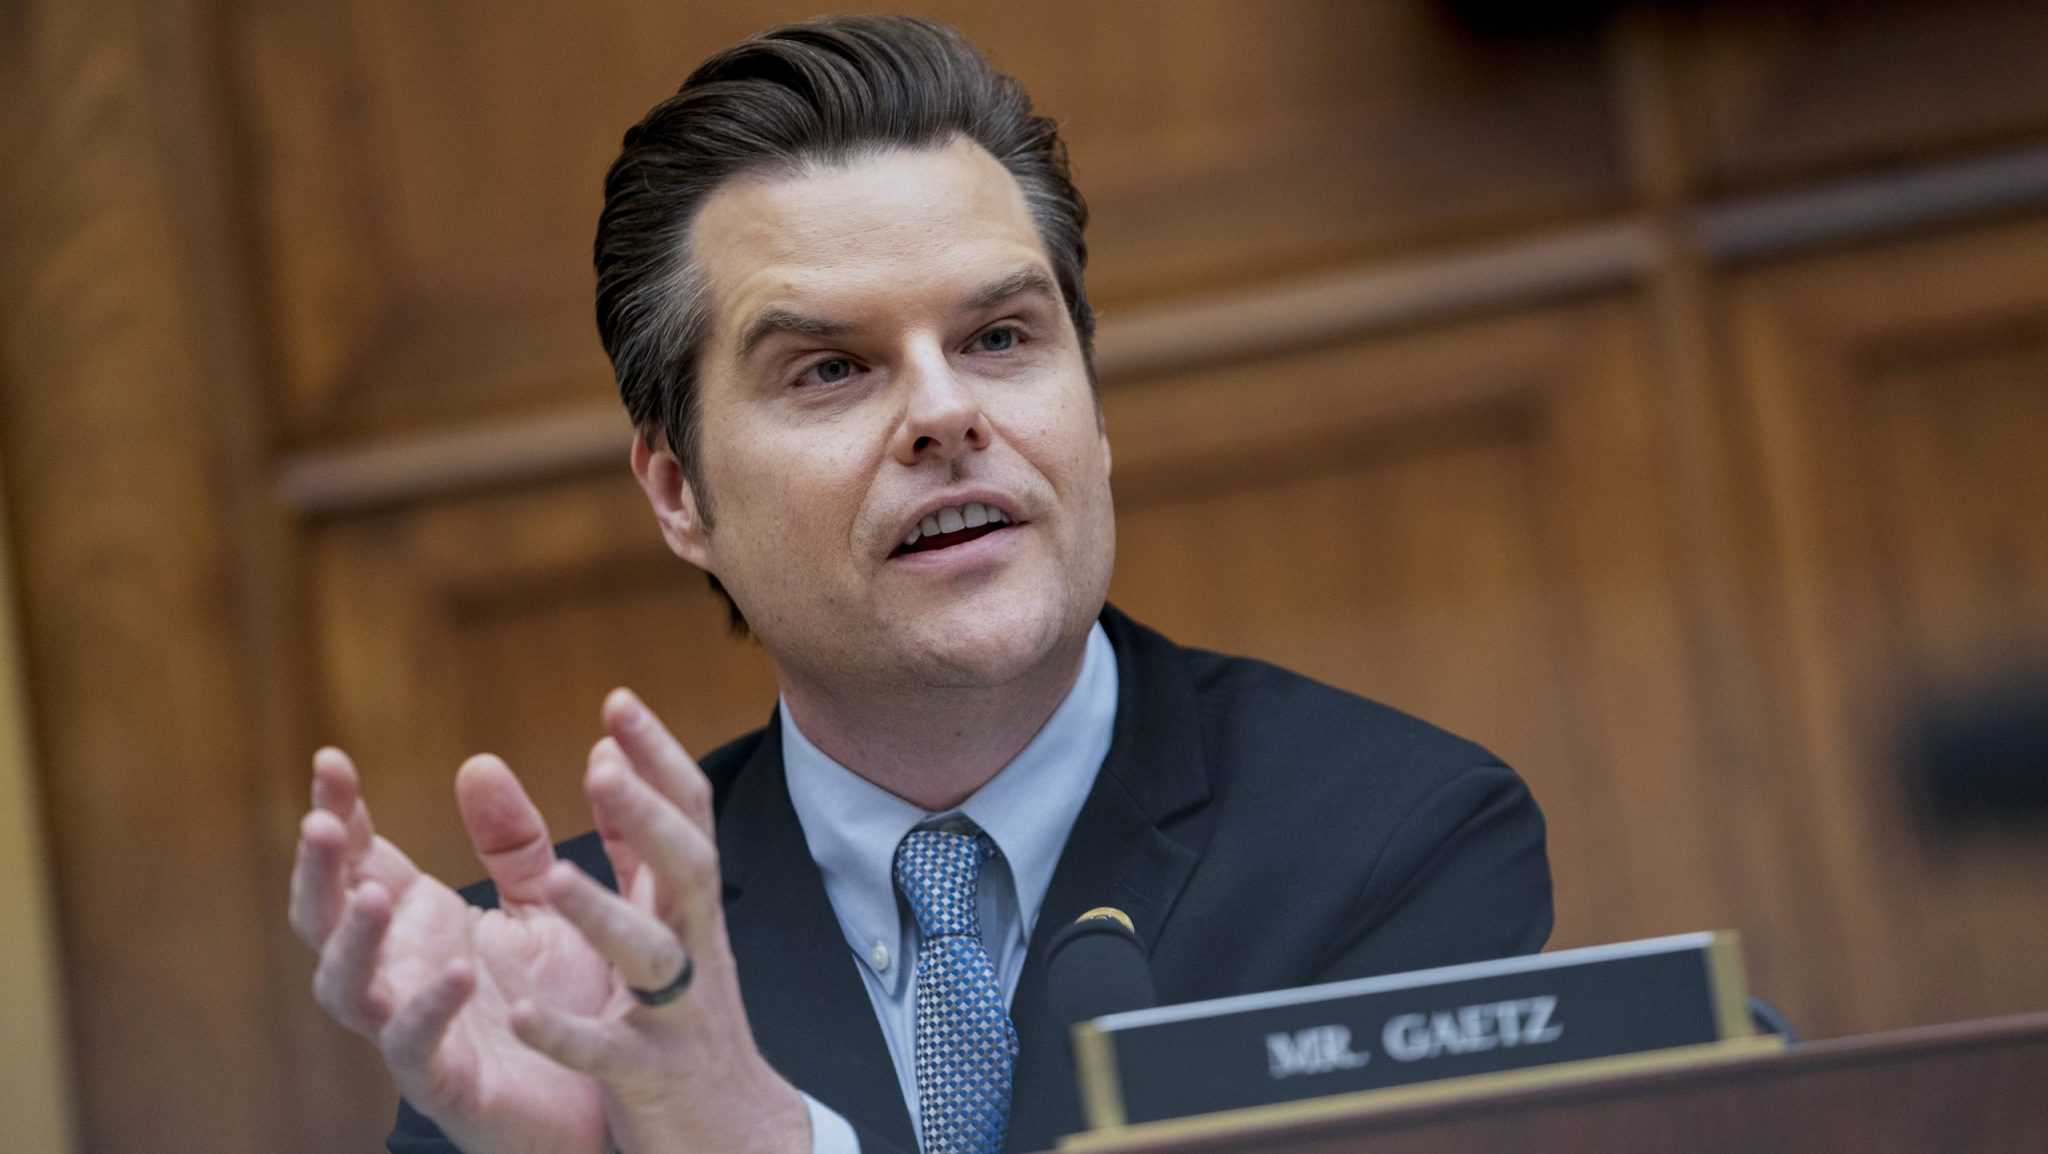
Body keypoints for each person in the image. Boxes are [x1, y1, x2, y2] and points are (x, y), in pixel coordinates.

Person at [287, 15, 1552, 1154]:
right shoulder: (564, 983)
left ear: (1092, 409)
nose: (945, 413)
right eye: (829, 369)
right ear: (679, 493)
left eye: (999, 339)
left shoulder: (1398, 838)